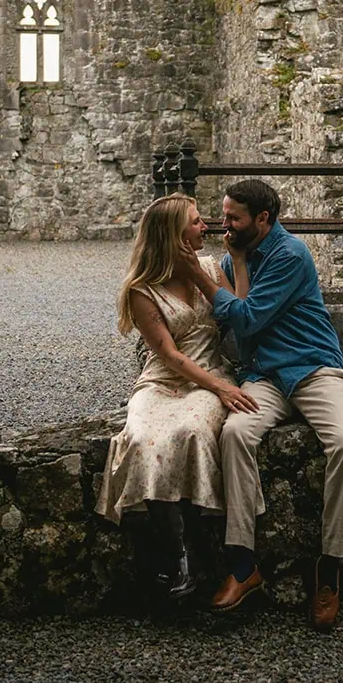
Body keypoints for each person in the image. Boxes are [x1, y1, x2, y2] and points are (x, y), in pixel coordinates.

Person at [171, 179, 343, 632]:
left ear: (263, 219)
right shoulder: (232, 258)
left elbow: (248, 318)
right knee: (235, 433)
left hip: (314, 369)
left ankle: (331, 566)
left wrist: (203, 277)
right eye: (222, 214)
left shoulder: (290, 255)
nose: (224, 224)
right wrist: (234, 263)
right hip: (266, 377)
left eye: (234, 218)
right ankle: (242, 562)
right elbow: (245, 332)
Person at [94, 193, 260, 601]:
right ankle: (178, 558)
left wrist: (236, 260)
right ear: (174, 233)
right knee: (143, 437)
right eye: (196, 221)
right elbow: (168, 354)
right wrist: (222, 388)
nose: (206, 227)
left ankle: (195, 548)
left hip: (209, 374)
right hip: (164, 380)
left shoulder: (208, 268)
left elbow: (240, 312)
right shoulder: (141, 289)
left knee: (190, 431)